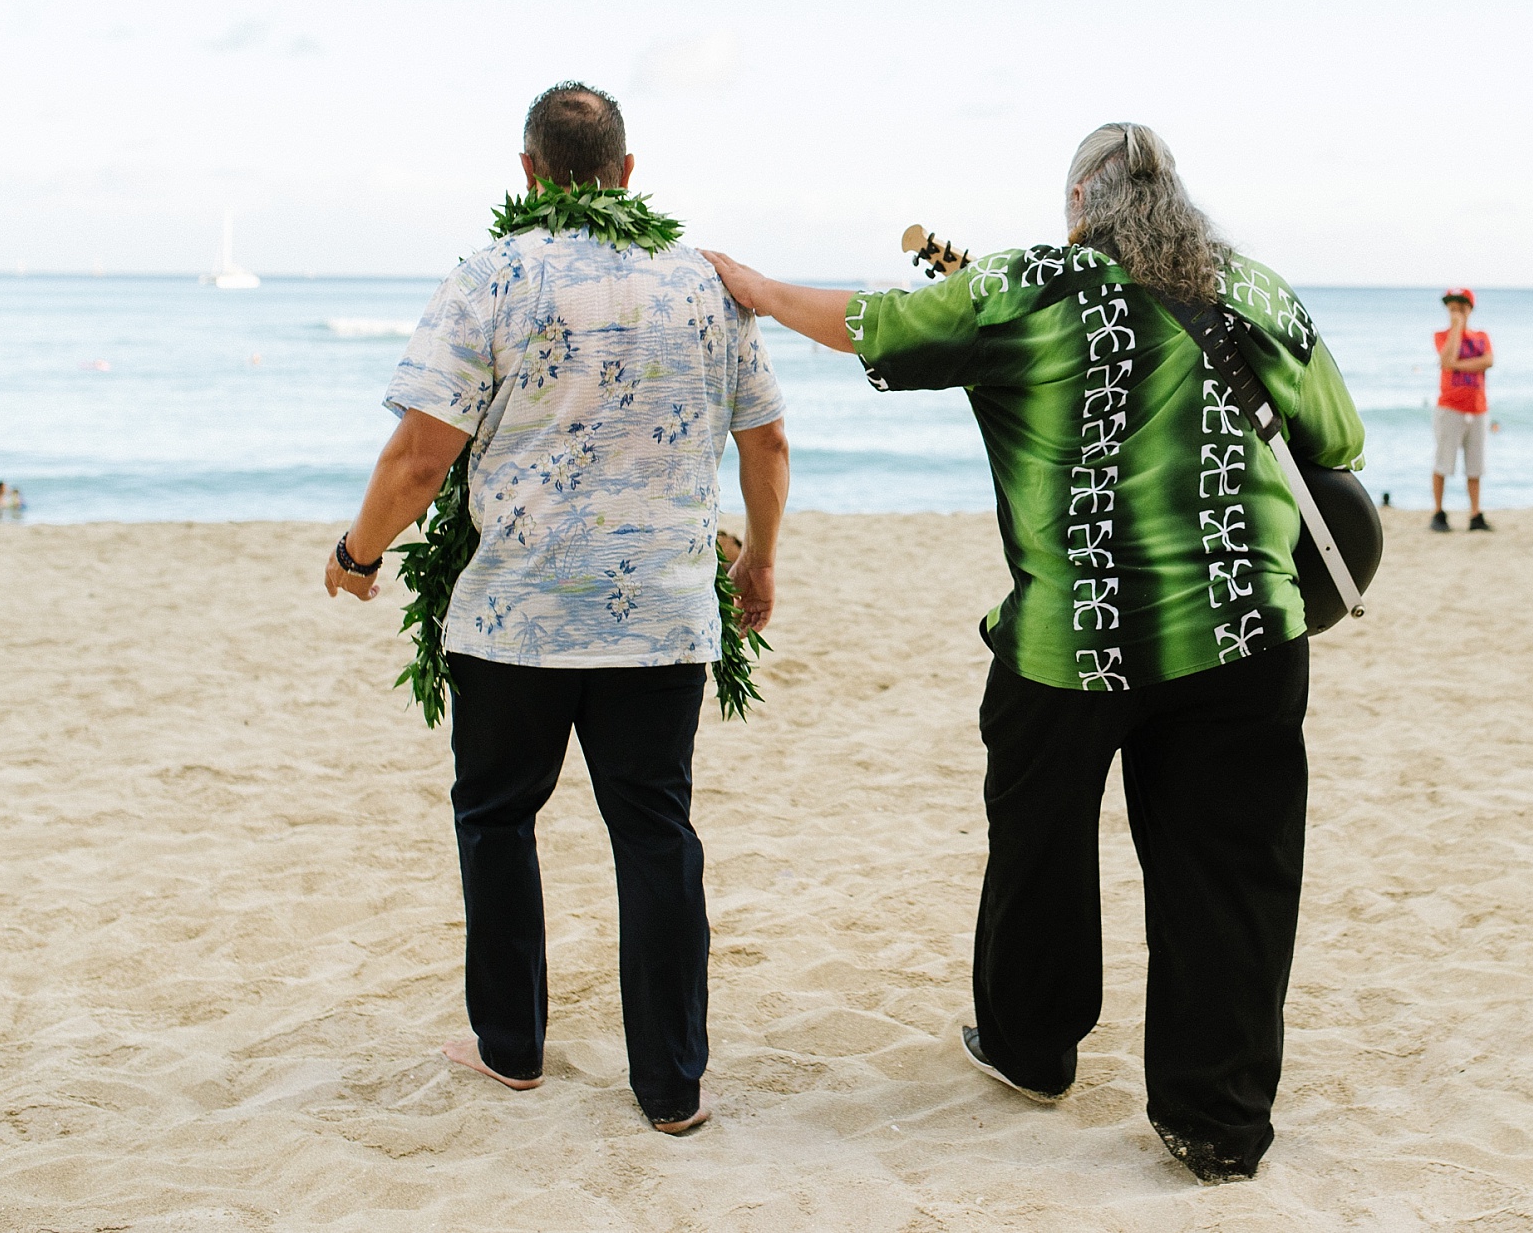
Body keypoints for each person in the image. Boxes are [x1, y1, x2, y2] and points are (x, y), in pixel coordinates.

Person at [705, 123, 1365, 1186]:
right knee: (1233, 875)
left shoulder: (1033, 286)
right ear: (1178, 205)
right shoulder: (1260, 293)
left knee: (1039, 843)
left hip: (1076, 641)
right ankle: (1217, 1125)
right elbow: (1336, 440)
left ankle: (1030, 1046)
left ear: (1077, 210)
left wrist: (760, 289)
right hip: (1244, 633)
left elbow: (875, 323)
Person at [322, 81, 791, 1136]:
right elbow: (764, 441)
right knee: (655, 835)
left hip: (514, 619)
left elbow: (420, 455)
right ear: (628, 172)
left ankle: (511, 1047)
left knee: (496, 821)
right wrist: (758, 562)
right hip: (662, 619)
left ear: (526, 174)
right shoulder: (702, 283)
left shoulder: (490, 274)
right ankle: (671, 1087)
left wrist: (357, 552)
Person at [1428, 288, 1493, 532]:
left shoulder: (1481, 336)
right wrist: (1456, 329)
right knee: (1443, 461)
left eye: (1461, 306)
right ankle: (1438, 511)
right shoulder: (1442, 335)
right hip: (1450, 407)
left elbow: (1488, 361)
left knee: (1476, 465)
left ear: (1470, 308)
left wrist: (1457, 365)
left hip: (1477, 408)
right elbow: (1447, 359)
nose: (1456, 311)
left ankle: (1475, 514)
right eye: (1452, 307)